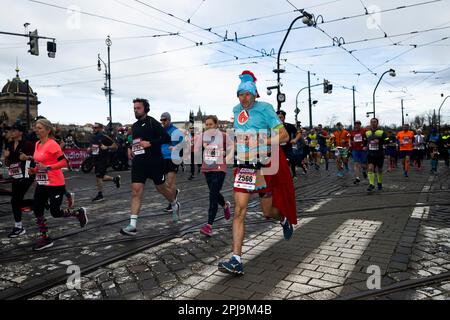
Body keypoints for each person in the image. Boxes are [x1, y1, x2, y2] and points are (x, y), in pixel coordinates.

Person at [217, 70, 297, 275]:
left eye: (246, 94)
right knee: (239, 211)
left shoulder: (266, 109)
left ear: (254, 94)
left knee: (268, 212)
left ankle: (283, 219)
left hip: (263, 166)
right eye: (240, 94)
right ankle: (236, 260)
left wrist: (260, 141)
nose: (243, 98)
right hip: (244, 166)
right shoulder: (236, 110)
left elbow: (285, 136)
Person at [120, 98, 181, 236]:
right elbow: (136, 141)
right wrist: (130, 148)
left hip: (155, 162)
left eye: (138, 108)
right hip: (139, 162)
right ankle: (132, 225)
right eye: (134, 108)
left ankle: (174, 203)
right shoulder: (134, 126)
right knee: (136, 191)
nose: (135, 110)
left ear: (145, 109)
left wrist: (151, 143)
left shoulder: (153, 122)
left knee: (161, 188)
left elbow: (166, 138)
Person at [27, 119, 87, 251]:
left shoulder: (52, 144)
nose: (36, 130)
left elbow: (64, 162)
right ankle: (46, 238)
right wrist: (34, 170)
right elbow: (39, 164)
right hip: (42, 182)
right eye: (35, 128)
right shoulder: (37, 144)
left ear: (48, 130)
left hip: (55, 183)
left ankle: (78, 213)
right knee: (37, 208)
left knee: (55, 212)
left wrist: (47, 167)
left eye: (39, 128)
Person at [199, 115, 232, 236]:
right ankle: (225, 205)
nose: (208, 126)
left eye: (210, 124)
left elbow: (232, 147)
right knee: (215, 193)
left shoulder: (224, 136)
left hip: (219, 168)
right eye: (206, 124)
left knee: (212, 195)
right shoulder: (204, 136)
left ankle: (209, 225)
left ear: (216, 124)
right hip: (207, 168)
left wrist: (226, 154)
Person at [4, 123, 35, 238]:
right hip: (15, 175)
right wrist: (6, 157)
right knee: (16, 200)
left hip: (26, 175)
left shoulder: (28, 145)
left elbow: (37, 158)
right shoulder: (9, 144)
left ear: (20, 132)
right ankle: (38, 202)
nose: (11, 132)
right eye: (11, 130)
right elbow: (8, 163)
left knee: (15, 200)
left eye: (14, 130)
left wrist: (28, 157)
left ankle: (19, 226)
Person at [89, 123, 121, 202]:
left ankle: (100, 195)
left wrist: (107, 147)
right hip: (96, 159)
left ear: (100, 128)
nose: (94, 129)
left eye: (95, 127)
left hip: (103, 159)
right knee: (100, 176)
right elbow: (93, 147)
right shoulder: (93, 137)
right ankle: (115, 179)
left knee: (99, 177)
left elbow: (115, 145)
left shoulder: (104, 136)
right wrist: (89, 149)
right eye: (93, 127)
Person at [160, 112, 183, 216]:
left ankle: (172, 204)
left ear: (169, 120)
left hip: (173, 158)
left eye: (164, 120)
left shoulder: (175, 131)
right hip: (162, 158)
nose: (163, 122)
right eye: (162, 120)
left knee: (170, 183)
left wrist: (175, 148)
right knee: (162, 184)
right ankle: (174, 194)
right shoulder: (160, 131)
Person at [365, 118, 388, 191]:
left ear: (377, 123)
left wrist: (380, 141)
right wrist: (365, 146)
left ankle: (379, 182)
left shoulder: (381, 132)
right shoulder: (367, 132)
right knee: (370, 168)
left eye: (374, 122)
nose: (373, 123)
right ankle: (371, 184)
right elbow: (366, 141)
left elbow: (387, 141)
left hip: (379, 154)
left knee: (380, 170)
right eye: (371, 122)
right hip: (370, 153)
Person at [276, 110, 301, 177]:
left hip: (288, 148)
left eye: (281, 117)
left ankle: (293, 174)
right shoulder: (272, 127)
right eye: (278, 117)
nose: (279, 119)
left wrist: (295, 139)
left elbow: (298, 133)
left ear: (284, 118)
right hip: (277, 149)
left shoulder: (289, 126)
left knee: (290, 161)